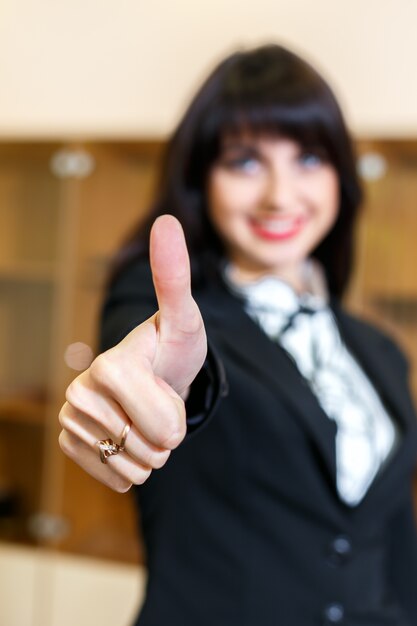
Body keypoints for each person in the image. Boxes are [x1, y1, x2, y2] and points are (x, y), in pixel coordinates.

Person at [58, 44, 417, 626]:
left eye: (307, 159)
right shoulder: (166, 312)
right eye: (245, 162)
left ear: (340, 177)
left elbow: (396, 548)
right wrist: (145, 400)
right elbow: (176, 370)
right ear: (202, 179)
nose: (279, 194)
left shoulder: (380, 353)